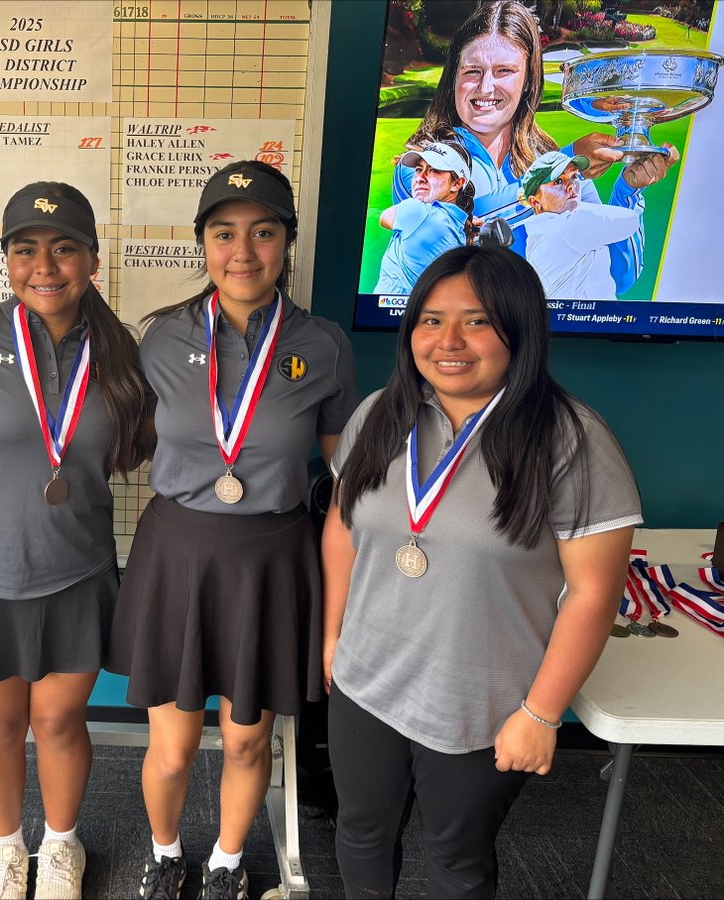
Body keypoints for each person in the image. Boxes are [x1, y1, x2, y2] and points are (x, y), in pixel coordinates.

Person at [322, 244, 641, 899]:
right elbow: (341, 529)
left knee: (457, 860)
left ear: (519, 331)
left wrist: (542, 714)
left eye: (476, 321)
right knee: (359, 834)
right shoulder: (379, 415)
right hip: (367, 680)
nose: (449, 340)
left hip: (482, 699)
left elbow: (593, 590)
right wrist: (333, 638)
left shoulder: (570, 439)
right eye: (431, 320)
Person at [107, 160, 359, 900]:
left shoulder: (325, 345)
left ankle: (225, 860)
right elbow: (115, 439)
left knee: (249, 736)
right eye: (225, 234)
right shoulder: (159, 340)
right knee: (175, 742)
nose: (242, 251)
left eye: (263, 233)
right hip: (177, 554)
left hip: (273, 558)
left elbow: (347, 480)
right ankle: (163, 852)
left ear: (286, 243)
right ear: (204, 243)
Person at [0, 182, 146, 900]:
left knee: (57, 720)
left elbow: (140, 449)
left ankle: (59, 844)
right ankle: (4, 845)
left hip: (76, 570)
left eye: (63, 248)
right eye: (25, 249)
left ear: (90, 258)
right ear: (7, 259)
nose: (44, 265)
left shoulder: (121, 352)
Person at [391, 0, 679, 295]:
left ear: (528, 80)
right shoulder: (420, 164)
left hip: (544, 335)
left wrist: (628, 191)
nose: (486, 87)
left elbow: (618, 275)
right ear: (453, 78)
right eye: (472, 71)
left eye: (504, 70)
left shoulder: (558, 166)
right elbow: (458, 229)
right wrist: (561, 164)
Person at [519, 150, 643, 300]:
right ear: (535, 202)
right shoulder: (568, 226)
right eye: (558, 181)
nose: (571, 185)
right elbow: (630, 221)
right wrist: (580, 205)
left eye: (574, 176)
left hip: (580, 320)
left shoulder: (540, 233)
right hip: (586, 322)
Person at [374, 139, 475, 295]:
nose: (420, 177)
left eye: (434, 170)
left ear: (457, 184)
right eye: (418, 169)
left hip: (384, 318)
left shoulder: (416, 211)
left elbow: (384, 217)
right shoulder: (459, 225)